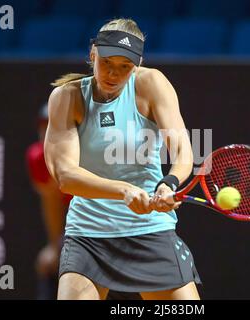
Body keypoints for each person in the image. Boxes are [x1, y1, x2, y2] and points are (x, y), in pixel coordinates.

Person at [44, 18, 202, 300]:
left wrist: (169, 182)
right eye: (106, 62)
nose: (113, 74)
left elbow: (182, 151)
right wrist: (124, 191)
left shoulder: (152, 83)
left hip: (149, 231)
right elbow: (65, 176)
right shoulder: (67, 97)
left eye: (124, 67)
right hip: (89, 235)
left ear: (137, 65)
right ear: (93, 54)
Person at [26, 103, 142, 300]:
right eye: (44, 126)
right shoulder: (38, 158)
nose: (48, 133)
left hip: (118, 228)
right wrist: (55, 247)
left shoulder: (92, 155)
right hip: (84, 231)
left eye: (54, 126)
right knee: (49, 265)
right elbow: (51, 201)